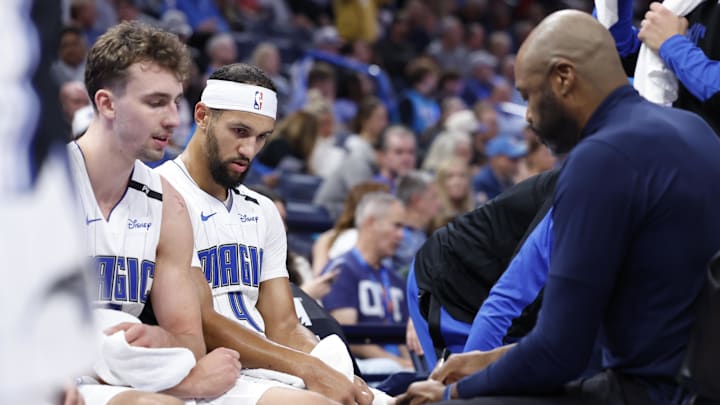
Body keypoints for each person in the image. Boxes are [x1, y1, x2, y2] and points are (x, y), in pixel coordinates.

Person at [400, 9, 720, 404]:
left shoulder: (602, 157)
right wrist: (489, 360)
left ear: (563, 78)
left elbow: (559, 352)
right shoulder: (697, 131)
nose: (529, 117)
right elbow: (623, 335)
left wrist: (453, 394)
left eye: (529, 96)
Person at [156, 63, 374, 405]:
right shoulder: (163, 194)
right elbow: (204, 322)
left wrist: (333, 370)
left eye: (261, 137)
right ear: (202, 115)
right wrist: (309, 369)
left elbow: (284, 326)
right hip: (213, 372)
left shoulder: (263, 209)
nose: (249, 150)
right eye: (239, 131)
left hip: (271, 368)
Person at [69, 21, 241, 404]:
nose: (174, 119)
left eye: (175, 101)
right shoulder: (43, 187)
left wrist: (163, 338)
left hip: (118, 380)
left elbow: (189, 343)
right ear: (106, 103)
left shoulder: (167, 205)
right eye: (156, 102)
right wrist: (187, 384)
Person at [597, 0, 720, 134]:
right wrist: (613, 7)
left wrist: (671, 44)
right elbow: (631, 55)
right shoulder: (689, 4)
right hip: (679, 136)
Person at [321, 192, 412, 374]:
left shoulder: (394, 279)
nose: (401, 235)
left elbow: (406, 338)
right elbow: (348, 338)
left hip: (396, 367)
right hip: (358, 370)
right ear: (371, 222)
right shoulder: (341, 270)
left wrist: (414, 366)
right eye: (396, 226)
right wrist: (400, 364)